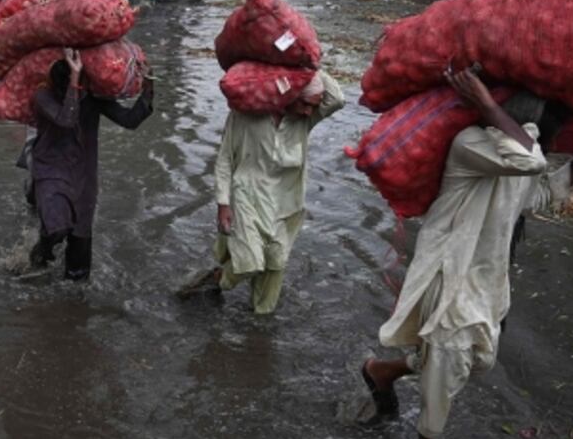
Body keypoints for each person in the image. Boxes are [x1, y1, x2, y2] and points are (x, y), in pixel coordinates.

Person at [359, 69, 573, 439]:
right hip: (451, 269)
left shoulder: (514, 154)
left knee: (470, 359)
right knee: (452, 355)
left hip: (487, 274)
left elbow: (539, 193)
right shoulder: (472, 143)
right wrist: (486, 105)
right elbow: (530, 160)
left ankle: (381, 371)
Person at [179, 71, 346, 314]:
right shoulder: (247, 114)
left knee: (275, 264)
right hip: (247, 194)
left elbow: (337, 99)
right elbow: (225, 159)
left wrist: (310, 65)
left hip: (287, 199)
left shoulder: (304, 120)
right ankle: (214, 280)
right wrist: (223, 203)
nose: (310, 111)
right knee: (249, 263)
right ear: (288, 96)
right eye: (306, 105)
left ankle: (260, 328)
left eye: (314, 107)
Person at [28, 49, 154, 281]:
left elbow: (130, 120)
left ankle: (74, 310)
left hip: (84, 176)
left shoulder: (93, 98)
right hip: (51, 171)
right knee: (56, 230)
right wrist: (75, 79)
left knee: (79, 268)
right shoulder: (42, 96)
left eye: (82, 78)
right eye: (72, 78)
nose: (80, 85)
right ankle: (37, 258)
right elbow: (66, 119)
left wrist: (147, 86)